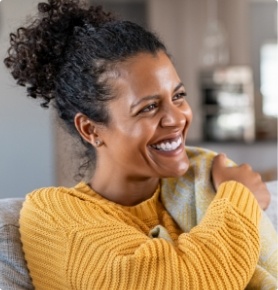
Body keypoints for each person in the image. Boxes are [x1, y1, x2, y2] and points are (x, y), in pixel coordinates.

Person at [4, 0, 277, 289]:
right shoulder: (51, 215)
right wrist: (241, 197)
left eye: (178, 96)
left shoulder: (201, 183)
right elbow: (182, 282)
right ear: (90, 129)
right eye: (149, 107)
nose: (177, 118)